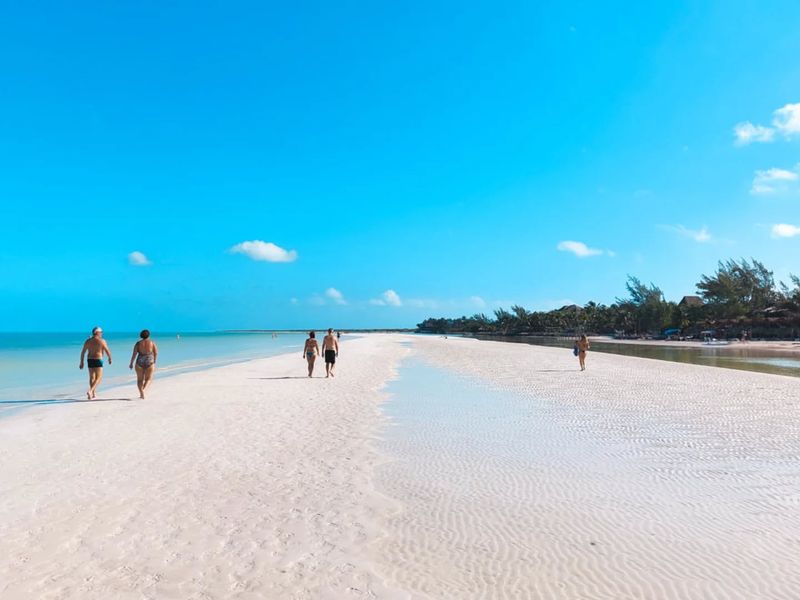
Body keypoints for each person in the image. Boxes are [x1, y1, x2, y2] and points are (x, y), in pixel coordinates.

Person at [79, 326, 112, 399]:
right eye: (101, 332)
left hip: (90, 359)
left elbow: (83, 352)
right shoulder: (102, 341)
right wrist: (110, 358)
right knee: (99, 377)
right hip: (98, 359)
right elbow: (107, 350)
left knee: (92, 377)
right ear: (97, 333)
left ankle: (93, 393)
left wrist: (81, 362)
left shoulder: (88, 341)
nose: (102, 333)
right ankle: (91, 391)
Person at [129, 329, 158, 399]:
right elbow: (156, 352)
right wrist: (154, 361)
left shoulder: (138, 343)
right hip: (149, 361)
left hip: (140, 361)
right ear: (149, 335)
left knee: (139, 379)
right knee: (148, 379)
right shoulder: (152, 343)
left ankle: (142, 393)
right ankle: (143, 391)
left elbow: (134, 354)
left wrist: (131, 363)